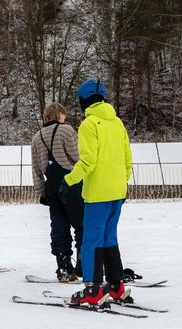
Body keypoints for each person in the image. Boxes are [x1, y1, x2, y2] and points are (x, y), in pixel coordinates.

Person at [60, 79, 133, 307]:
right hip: (118, 191)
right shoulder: (117, 123)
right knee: (109, 237)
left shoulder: (89, 124)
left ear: (83, 101)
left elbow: (88, 161)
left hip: (98, 193)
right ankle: (116, 286)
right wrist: (120, 181)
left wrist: (68, 180)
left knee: (91, 240)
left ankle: (92, 289)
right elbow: (127, 158)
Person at [31, 102, 84, 282]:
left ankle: (63, 268)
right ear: (60, 114)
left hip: (51, 187)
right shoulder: (66, 130)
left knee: (59, 227)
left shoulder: (36, 137)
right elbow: (79, 157)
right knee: (81, 225)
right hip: (71, 183)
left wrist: (41, 192)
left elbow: (36, 169)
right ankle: (83, 266)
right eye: (64, 114)